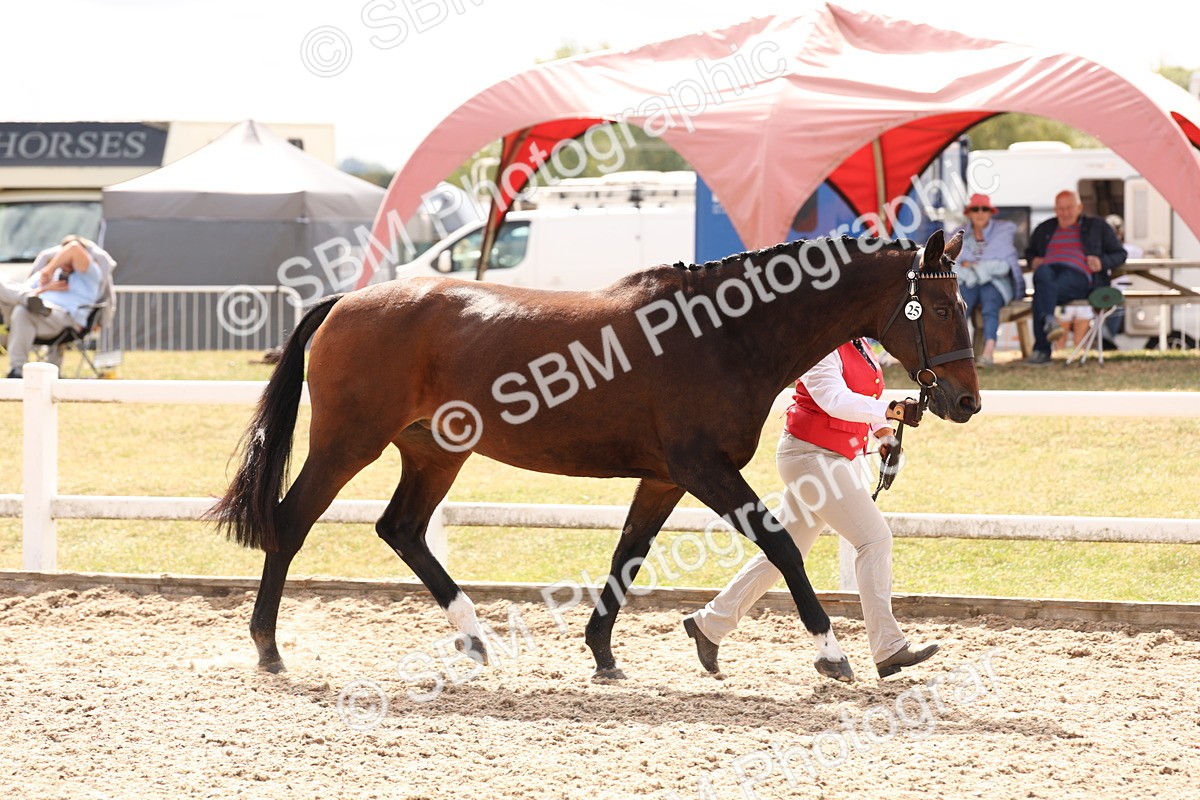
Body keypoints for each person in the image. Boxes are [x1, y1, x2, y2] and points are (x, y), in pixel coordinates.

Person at [682, 339, 937, 680]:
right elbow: (834, 399)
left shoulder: (860, 344)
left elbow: (867, 398)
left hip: (828, 457)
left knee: (784, 553)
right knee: (874, 540)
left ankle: (710, 623)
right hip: (809, 458)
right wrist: (892, 408)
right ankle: (889, 648)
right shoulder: (821, 343)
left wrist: (885, 434)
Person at [1022, 191, 1127, 364]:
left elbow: (1120, 254)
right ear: (1055, 210)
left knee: (1041, 292)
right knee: (1042, 275)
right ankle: (1049, 320)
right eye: (1060, 209)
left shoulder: (1097, 226)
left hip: (1080, 277)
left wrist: (1101, 262)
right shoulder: (1044, 228)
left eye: (1069, 208)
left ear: (1079, 207)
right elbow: (1029, 252)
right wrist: (1033, 260)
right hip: (1049, 274)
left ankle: (1042, 349)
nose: (1065, 213)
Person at [0, 236, 110, 378]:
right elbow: (25, 292)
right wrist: (46, 288)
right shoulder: (50, 276)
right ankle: (17, 371)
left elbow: (74, 247)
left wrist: (49, 269)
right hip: (35, 314)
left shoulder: (89, 274)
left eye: (67, 257)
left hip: (65, 319)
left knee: (22, 308)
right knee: (22, 307)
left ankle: (17, 370)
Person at [953, 193, 1020, 367]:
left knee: (990, 305)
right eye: (975, 209)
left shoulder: (1003, 232)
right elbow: (952, 264)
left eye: (985, 209)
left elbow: (1004, 266)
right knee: (959, 307)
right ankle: (957, 354)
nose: (980, 213)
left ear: (991, 213)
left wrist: (974, 267)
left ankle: (988, 353)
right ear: (969, 213)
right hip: (969, 282)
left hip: (996, 283)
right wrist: (983, 269)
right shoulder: (958, 235)